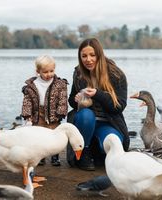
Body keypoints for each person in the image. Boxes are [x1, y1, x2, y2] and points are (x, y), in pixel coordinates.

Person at [67, 38, 130, 171]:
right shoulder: (79, 73)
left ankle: (95, 147)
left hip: (108, 122)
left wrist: (97, 94)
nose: (88, 59)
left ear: (99, 55)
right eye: (84, 56)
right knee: (86, 115)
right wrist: (77, 99)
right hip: (85, 122)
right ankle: (84, 152)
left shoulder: (116, 75)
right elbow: (71, 100)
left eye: (92, 55)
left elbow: (119, 106)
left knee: (112, 145)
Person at [21, 55, 68, 166]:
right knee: (39, 135)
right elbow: (27, 101)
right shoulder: (32, 85)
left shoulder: (59, 84)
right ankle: (40, 156)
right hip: (38, 113)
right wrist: (27, 114)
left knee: (54, 135)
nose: (49, 74)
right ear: (38, 71)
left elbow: (63, 98)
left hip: (53, 114)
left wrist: (61, 111)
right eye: (45, 72)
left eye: (51, 71)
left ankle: (55, 156)